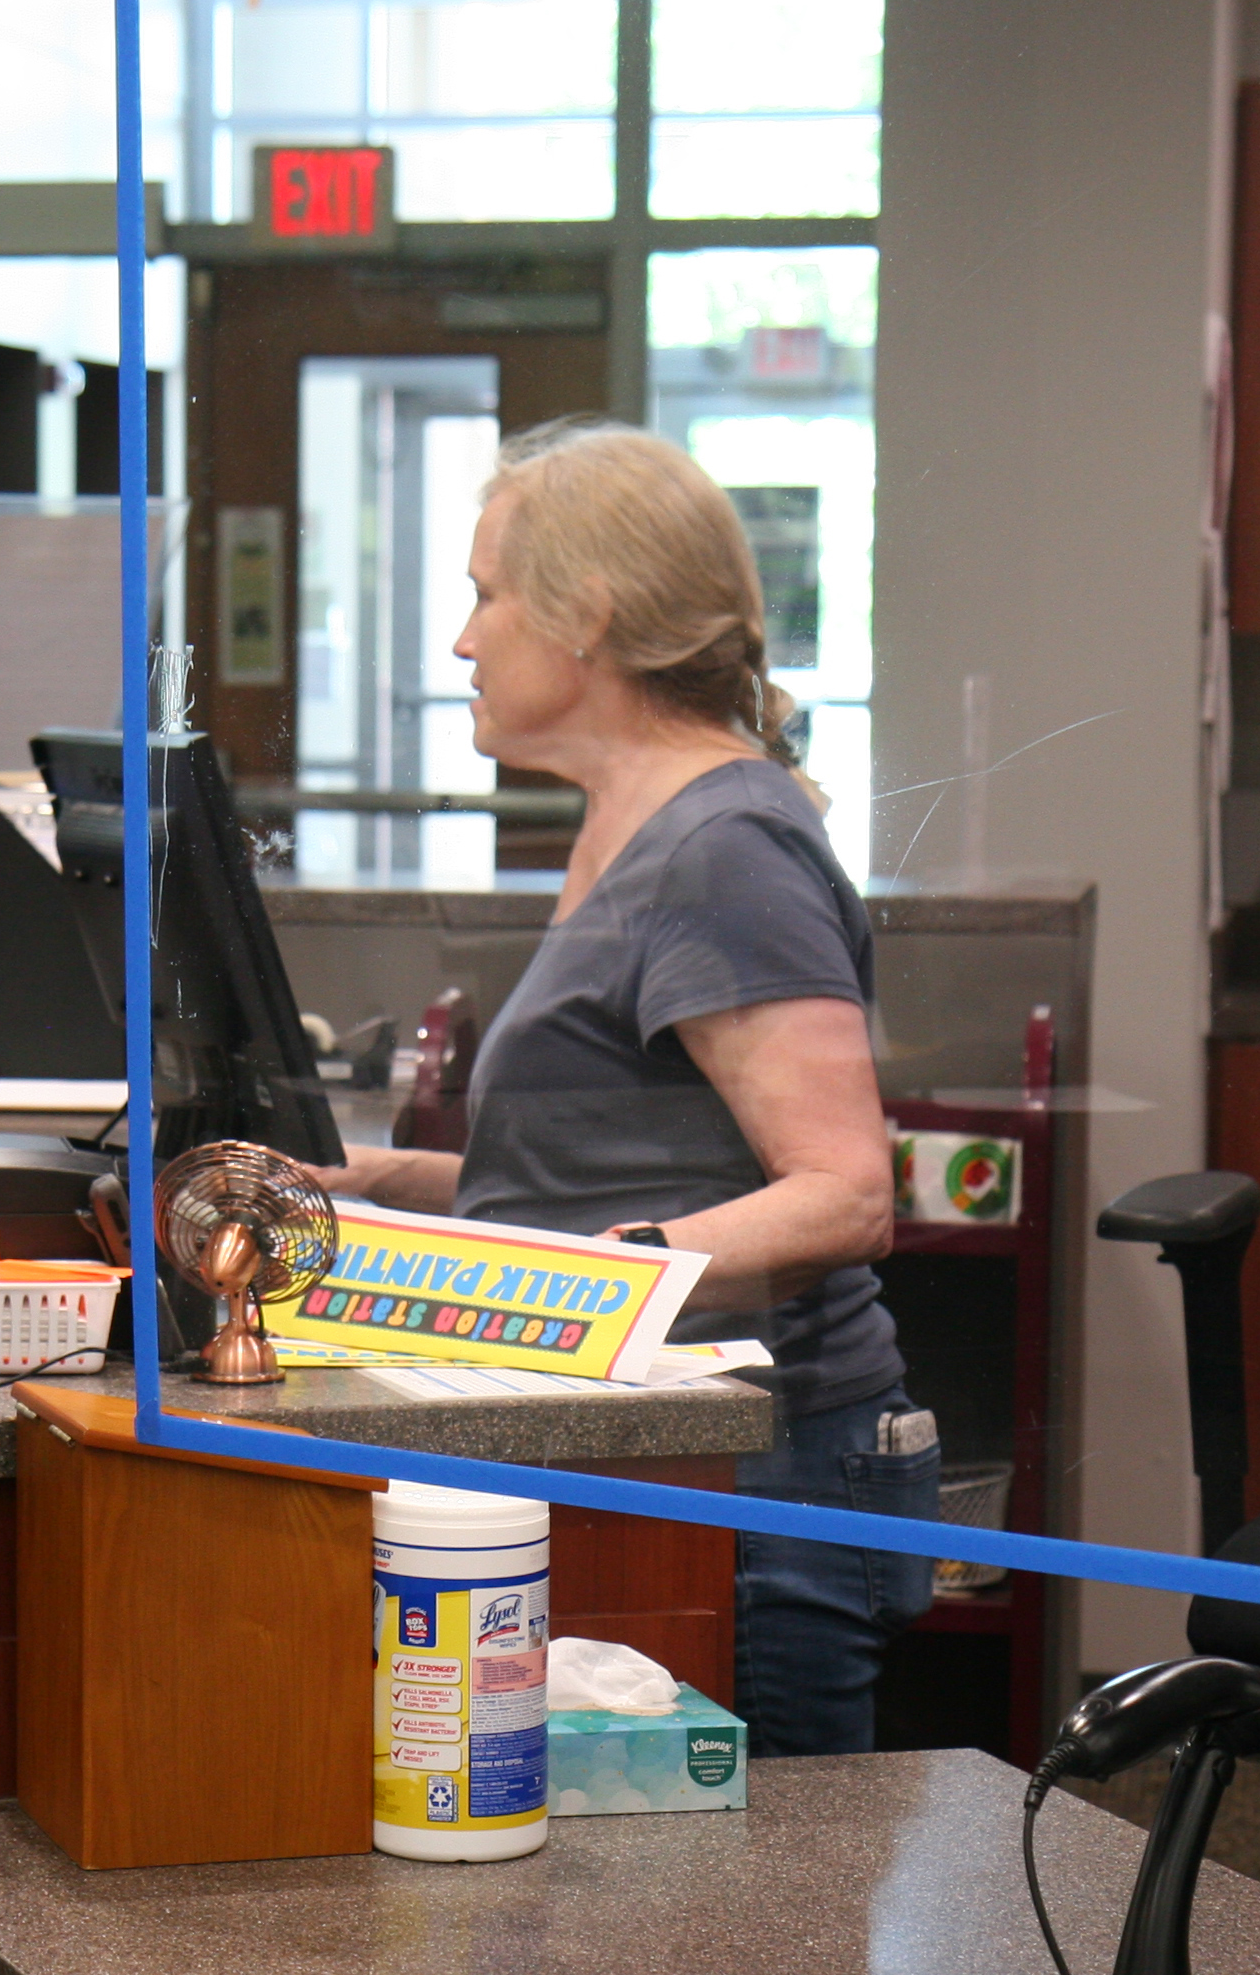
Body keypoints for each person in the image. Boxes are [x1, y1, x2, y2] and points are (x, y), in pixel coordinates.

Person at [318, 418, 938, 1758]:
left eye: (486, 593)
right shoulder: (629, 821)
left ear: (588, 612)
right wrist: (381, 1191)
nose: (464, 640)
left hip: (762, 1469)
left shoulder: (725, 844)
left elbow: (844, 1197)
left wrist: (601, 1282)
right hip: (680, 1443)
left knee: (751, 1933)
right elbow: (627, 1171)